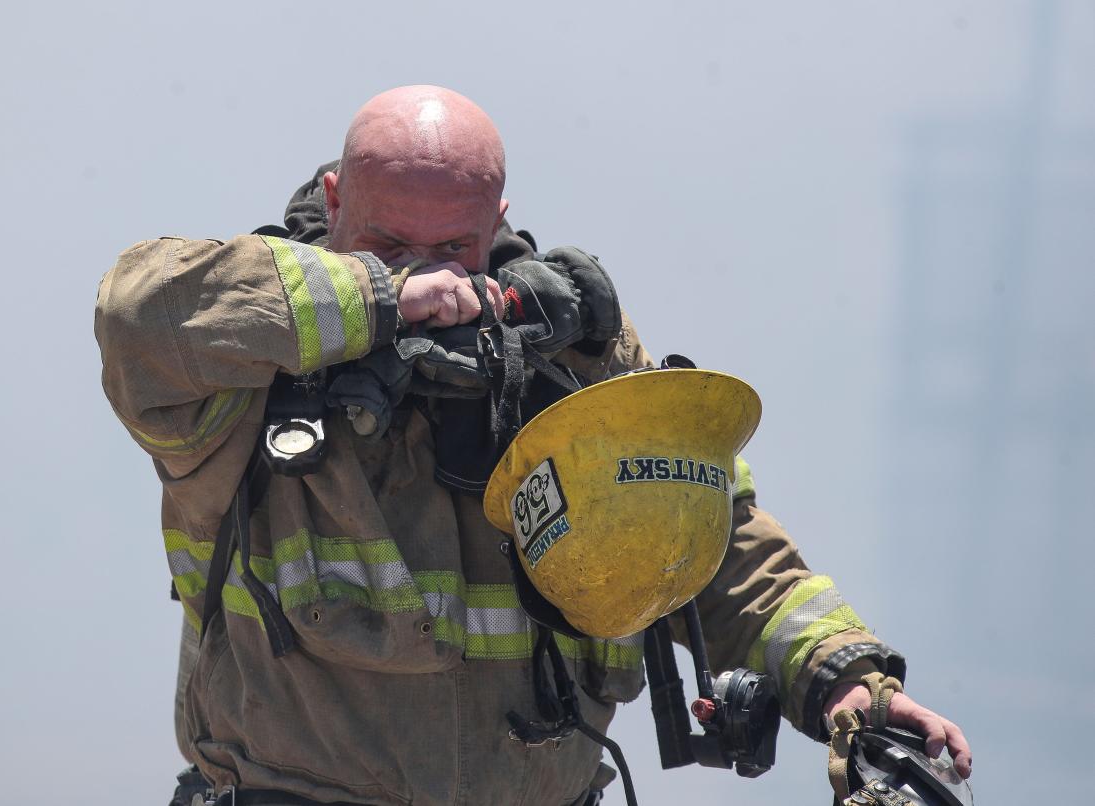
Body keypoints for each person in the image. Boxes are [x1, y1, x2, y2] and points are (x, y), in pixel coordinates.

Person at [95, 85, 971, 805]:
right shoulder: (244, 371)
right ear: (335, 204)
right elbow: (136, 311)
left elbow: (712, 543)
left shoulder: (567, 357)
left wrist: (840, 677)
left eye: (452, 248)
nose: (429, 272)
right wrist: (384, 300)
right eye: (390, 242)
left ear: (498, 220)